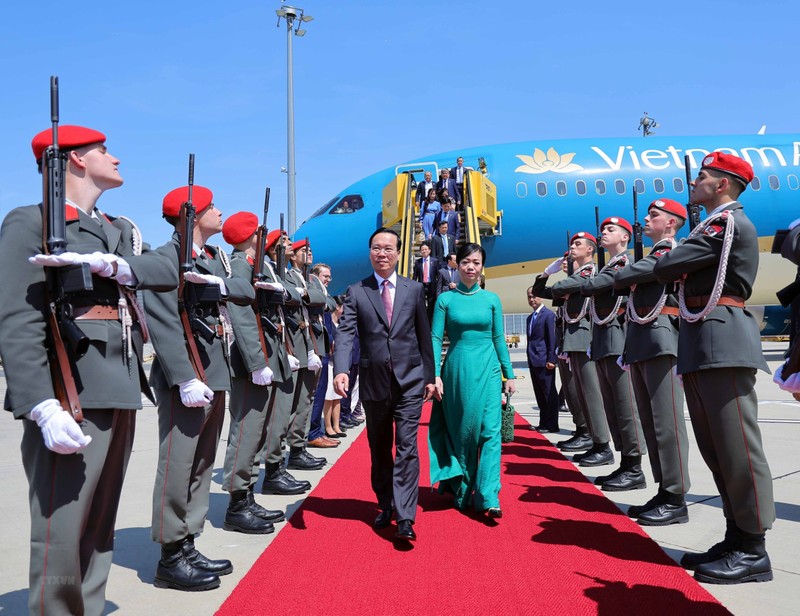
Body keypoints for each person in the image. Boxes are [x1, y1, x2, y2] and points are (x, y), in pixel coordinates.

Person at [0, 125, 175, 615]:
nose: (114, 157)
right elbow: (17, 317)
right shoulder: (28, 222)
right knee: (62, 529)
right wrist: (39, 402)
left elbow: (163, 272)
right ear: (74, 160)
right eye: (103, 150)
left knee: (99, 525)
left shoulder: (117, 231)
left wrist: (117, 267)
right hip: (69, 391)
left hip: (117, 387)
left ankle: (88, 608)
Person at [654, 152, 775, 584]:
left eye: (702, 177)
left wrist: (666, 257)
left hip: (722, 340)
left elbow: (668, 264)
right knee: (717, 450)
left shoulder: (725, 224)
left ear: (722, 185)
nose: (695, 183)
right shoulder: (710, 226)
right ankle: (736, 535)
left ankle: (754, 548)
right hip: (703, 340)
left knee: (738, 449)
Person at [144, 185, 255, 591]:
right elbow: (161, 319)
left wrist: (221, 285)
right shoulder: (163, 257)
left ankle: (188, 540)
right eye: (212, 207)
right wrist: (183, 375)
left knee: (202, 462)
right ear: (190, 215)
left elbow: (244, 291)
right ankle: (170, 554)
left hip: (214, 371)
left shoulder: (211, 260)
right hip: (186, 377)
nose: (220, 211)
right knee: (177, 462)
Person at [333, 228, 435, 542]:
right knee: (379, 449)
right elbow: (346, 333)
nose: (382, 253)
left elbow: (424, 335)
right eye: (377, 248)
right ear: (370, 252)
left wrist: (430, 377)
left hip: (409, 381)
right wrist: (340, 369)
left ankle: (405, 517)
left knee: (407, 448)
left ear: (398, 253)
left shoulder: (414, 289)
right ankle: (386, 502)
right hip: (374, 383)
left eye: (388, 248)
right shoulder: (357, 291)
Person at [614, 199, 691, 525]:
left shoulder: (670, 251)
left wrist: (622, 275)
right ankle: (664, 490)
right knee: (651, 422)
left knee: (667, 423)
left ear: (671, 223)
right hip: (644, 342)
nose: (646, 219)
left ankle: (676, 497)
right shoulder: (654, 255)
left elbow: (633, 275)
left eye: (654, 215)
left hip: (662, 343)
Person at [428, 243, 516, 517]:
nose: (471, 267)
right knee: (464, 432)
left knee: (490, 432)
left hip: (488, 369)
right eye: (466, 262)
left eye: (476, 263)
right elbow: (434, 338)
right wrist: (435, 375)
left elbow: (498, 338)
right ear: (458, 265)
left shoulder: (491, 299)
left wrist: (509, 373)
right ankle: (463, 487)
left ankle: (489, 496)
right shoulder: (445, 300)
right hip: (457, 369)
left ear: (482, 267)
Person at [219, 212, 288, 534]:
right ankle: (237, 504)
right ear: (252, 237)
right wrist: (257, 363)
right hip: (251, 363)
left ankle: (245, 496)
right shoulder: (240, 266)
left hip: (264, 356)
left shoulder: (253, 267)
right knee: (246, 433)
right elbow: (243, 318)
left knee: (256, 432)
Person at [580, 216, 646, 491]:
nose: (603, 233)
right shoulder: (607, 267)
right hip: (604, 342)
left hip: (618, 341)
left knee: (625, 407)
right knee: (612, 407)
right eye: (603, 229)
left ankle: (634, 467)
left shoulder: (623, 265)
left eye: (610, 230)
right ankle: (624, 462)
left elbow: (592, 287)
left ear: (625, 238)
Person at [532, 233, 610, 460]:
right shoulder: (574, 279)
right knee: (574, 391)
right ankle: (584, 432)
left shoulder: (588, 273)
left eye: (577, 245)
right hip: (570, 339)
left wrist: (558, 278)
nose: (571, 249)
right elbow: (539, 292)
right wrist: (546, 273)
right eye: (571, 244)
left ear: (590, 250)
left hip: (583, 338)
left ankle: (599, 442)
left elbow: (558, 289)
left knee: (588, 392)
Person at [307, 262, 342, 448]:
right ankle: (313, 434)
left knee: (321, 394)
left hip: (326, 348)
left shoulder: (325, 294)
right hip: (317, 349)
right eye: (325, 276)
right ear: (314, 276)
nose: (328, 279)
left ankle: (317, 431)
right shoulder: (315, 292)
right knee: (316, 394)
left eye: (329, 276)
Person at [525, 288, 559, 433]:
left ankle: (552, 424)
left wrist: (552, 359)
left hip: (545, 361)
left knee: (549, 394)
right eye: (529, 297)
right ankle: (543, 423)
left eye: (534, 296)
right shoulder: (530, 318)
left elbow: (552, 339)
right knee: (539, 394)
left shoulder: (549, 315)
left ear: (542, 298)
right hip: (533, 361)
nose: (532, 299)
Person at [412, 241, 439, 322]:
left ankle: (430, 322)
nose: (424, 251)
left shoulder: (435, 261)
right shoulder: (418, 262)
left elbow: (438, 274)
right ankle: (423, 321)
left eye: (425, 249)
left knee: (431, 305)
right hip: (422, 286)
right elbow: (415, 276)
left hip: (432, 286)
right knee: (421, 304)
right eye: (422, 249)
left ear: (429, 250)